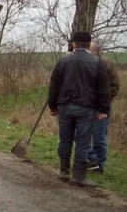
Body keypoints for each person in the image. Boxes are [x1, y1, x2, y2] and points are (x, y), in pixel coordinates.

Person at [48, 32, 111, 187]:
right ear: (88, 45)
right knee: (83, 142)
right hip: (87, 107)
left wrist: (52, 106)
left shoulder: (63, 60)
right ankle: (78, 176)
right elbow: (104, 89)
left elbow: (54, 85)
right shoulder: (97, 62)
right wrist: (104, 109)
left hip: (65, 106)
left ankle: (63, 172)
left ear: (74, 44)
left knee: (65, 139)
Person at [87, 39, 120, 174]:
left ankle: (99, 165)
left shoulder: (107, 65)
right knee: (82, 135)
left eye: (90, 50)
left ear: (96, 51)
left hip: (101, 107)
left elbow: (115, 86)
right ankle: (90, 161)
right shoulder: (83, 64)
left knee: (100, 137)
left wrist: (104, 101)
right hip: (85, 106)